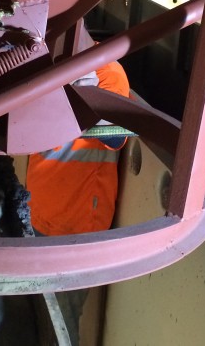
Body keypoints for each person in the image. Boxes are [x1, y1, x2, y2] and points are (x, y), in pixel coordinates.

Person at [26, 57, 130, 343]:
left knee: (61, 323)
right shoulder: (50, 61)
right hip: (40, 210)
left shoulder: (107, 70)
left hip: (77, 223)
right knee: (40, 315)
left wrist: (86, 100)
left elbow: (115, 137)